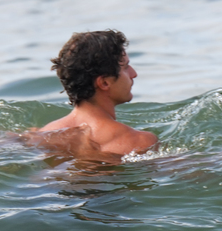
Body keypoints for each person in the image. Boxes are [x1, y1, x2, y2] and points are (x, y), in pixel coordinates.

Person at [27, 30, 157, 159]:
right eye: (126, 67)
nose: (134, 74)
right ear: (104, 83)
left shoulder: (41, 135)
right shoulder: (140, 142)